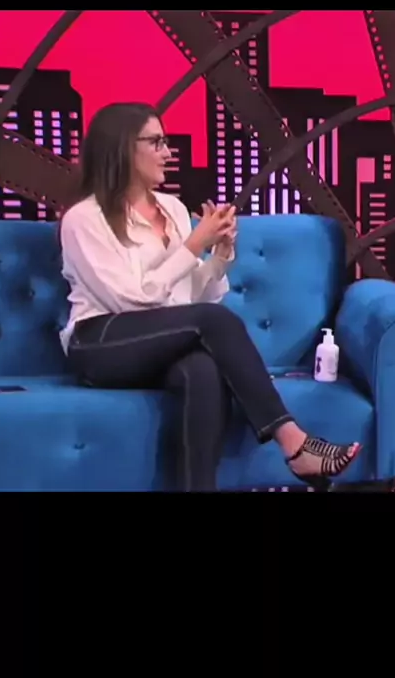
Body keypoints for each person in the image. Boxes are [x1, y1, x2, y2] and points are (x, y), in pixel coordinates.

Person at [59, 102, 362, 492]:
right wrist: (193, 245)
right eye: (156, 142)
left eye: (166, 142)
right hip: (99, 343)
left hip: (157, 342)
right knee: (211, 321)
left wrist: (218, 255)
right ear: (122, 147)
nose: (167, 153)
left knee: (202, 370)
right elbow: (129, 300)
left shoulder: (172, 209)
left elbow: (189, 297)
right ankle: (293, 441)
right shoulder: (85, 218)